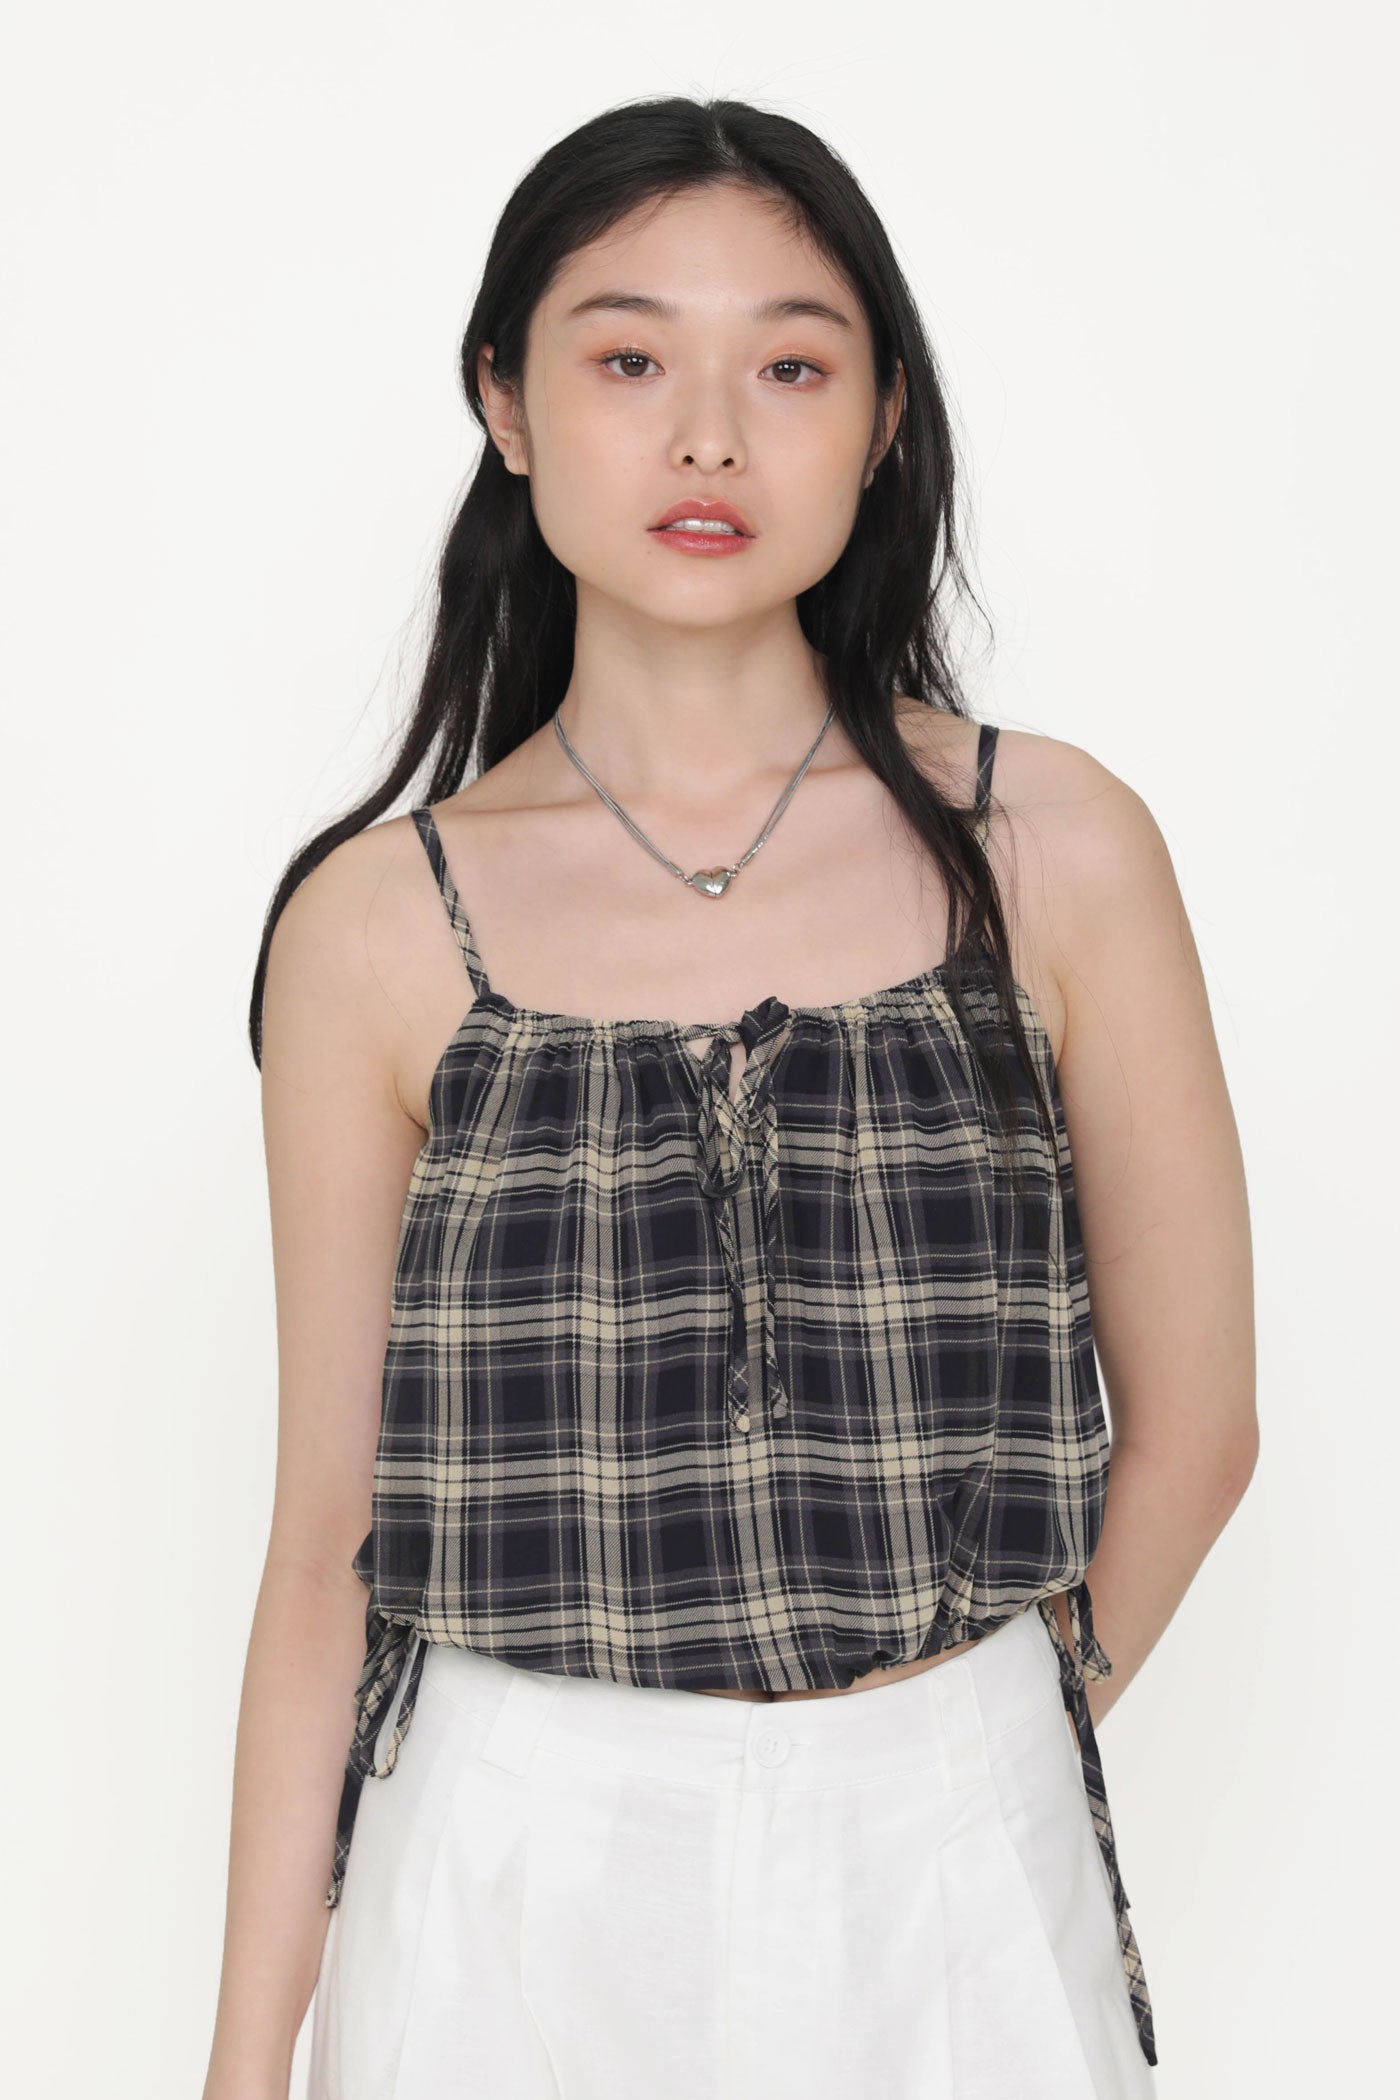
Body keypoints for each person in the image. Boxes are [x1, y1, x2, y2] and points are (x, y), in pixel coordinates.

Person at [202, 97, 1257, 2100]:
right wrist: (244, 2068)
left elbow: (1200, 1429)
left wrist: (982, 1748)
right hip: (506, 1860)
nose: (707, 438)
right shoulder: (379, 928)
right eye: (627, 361)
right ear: (504, 403)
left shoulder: (1053, 849)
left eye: (789, 367)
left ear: (881, 420)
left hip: (957, 1842)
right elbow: (332, 1543)